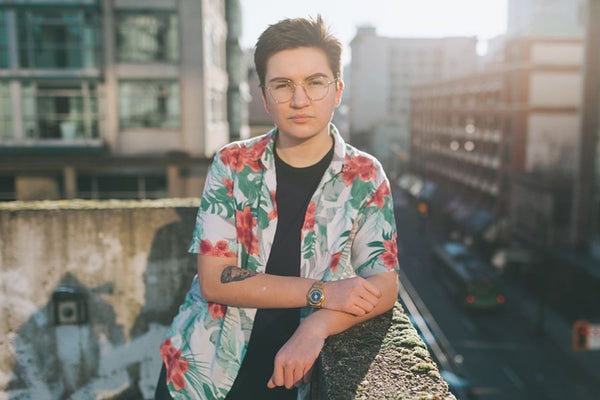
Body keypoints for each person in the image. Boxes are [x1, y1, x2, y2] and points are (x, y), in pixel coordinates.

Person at [155, 15, 400, 400]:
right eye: (283, 85)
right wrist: (323, 292)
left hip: (292, 379)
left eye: (315, 82)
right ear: (265, 97)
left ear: (337, 90)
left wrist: (316, 327)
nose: (300, 100)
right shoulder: (232, 164)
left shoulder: (366, 175)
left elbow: (384, 286)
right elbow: (215, 279)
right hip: (201, 372)